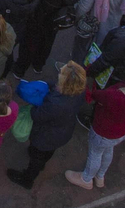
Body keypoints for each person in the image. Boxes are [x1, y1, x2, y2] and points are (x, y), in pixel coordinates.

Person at [66, 64, 125, 189]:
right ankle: (100, 176)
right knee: (107, 151)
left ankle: (86, 179)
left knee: (95, 154)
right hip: (121, 131)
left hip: (103, 132)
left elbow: (95, 95)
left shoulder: (114, 97)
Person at [5, 61, 84, 190]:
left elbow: (37, 115)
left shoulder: (55, 103)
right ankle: (40, 164)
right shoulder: (79, 92)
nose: (59, 74)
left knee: (37, 157)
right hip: (62, 132)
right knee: (47, 152)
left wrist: (33, 106)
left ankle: (27, 179)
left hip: (46, 136)